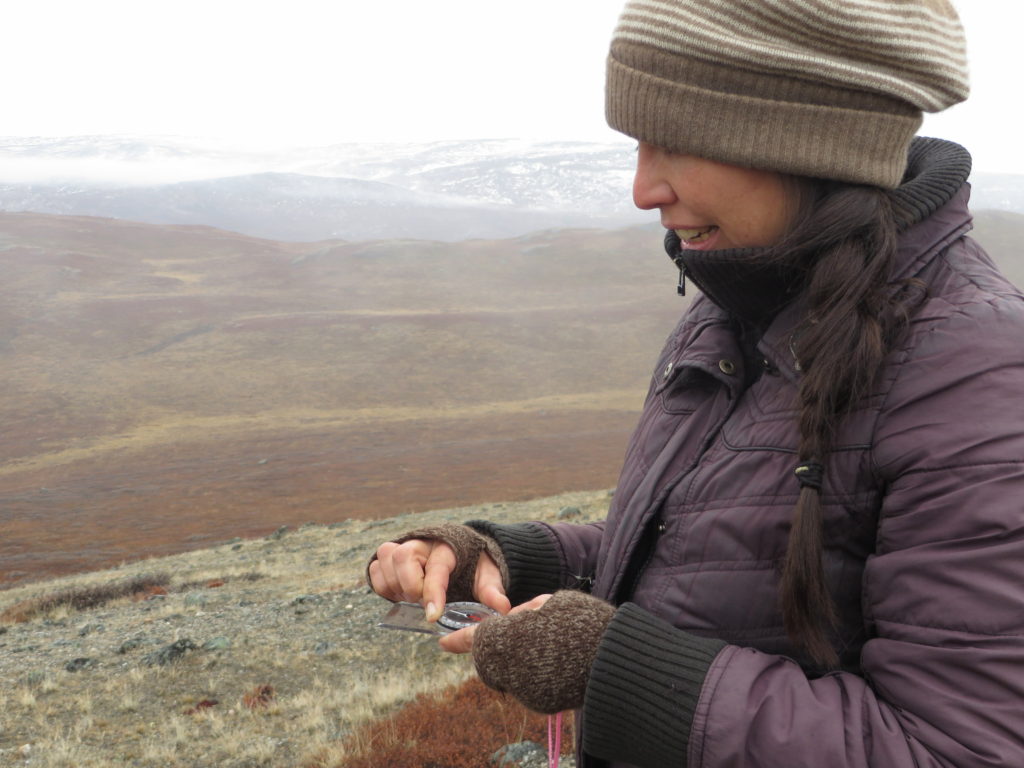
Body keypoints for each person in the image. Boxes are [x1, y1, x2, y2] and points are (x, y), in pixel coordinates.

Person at [368, 1, 1024, 766]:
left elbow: (959, 749)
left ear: (809, 137)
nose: (644, 189)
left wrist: (615, 666)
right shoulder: (736, 308)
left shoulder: (975, 374)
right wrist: (514, 559)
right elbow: (716, 551)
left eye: (676, 143)